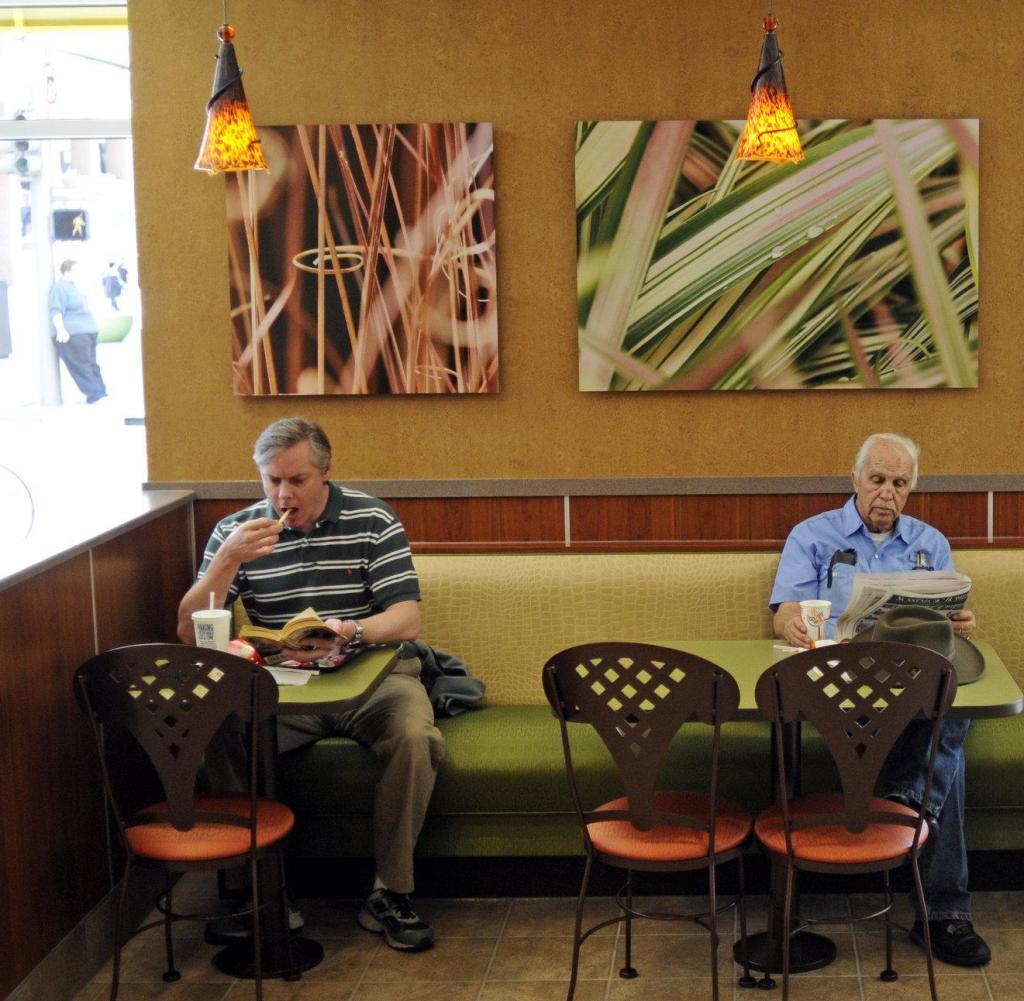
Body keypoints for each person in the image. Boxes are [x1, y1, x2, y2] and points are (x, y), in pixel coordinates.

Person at [177, 417, 442, 951]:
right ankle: (260, 891)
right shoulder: (240, 532)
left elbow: (406, 619)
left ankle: (389, 893)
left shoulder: (372, 518)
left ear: (325, 473)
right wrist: (225, 564)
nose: (282, 494)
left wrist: (352, 630)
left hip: (372, 677)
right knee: (224, 730)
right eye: (271, 480)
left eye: (296, 480)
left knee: (416, 736)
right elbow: (189, 633)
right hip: (286, 688)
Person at [769, 432, 990, 968]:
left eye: (899, 483)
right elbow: (782, 611)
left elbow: (947, 623)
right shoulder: (813, 535)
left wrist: (960, 623)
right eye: (877, 480)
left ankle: (909, 797)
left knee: (950, 713)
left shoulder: (929, 543)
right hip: (832, 690)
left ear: (910, 489)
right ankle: (943, 907)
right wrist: (793, 624)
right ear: (855, 480)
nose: (886, 493)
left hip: (907, 686)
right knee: (947, 743)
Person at [48, 259, 107, 404]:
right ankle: (97, 393)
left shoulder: (74, 288)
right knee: (85, 364)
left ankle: (98, 393)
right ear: (66, 271)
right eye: (76, 271)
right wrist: (61, 330)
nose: (79, 274)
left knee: (86, 364)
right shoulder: (59, 288)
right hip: (75, 333)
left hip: (83, 332)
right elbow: (56, 311)